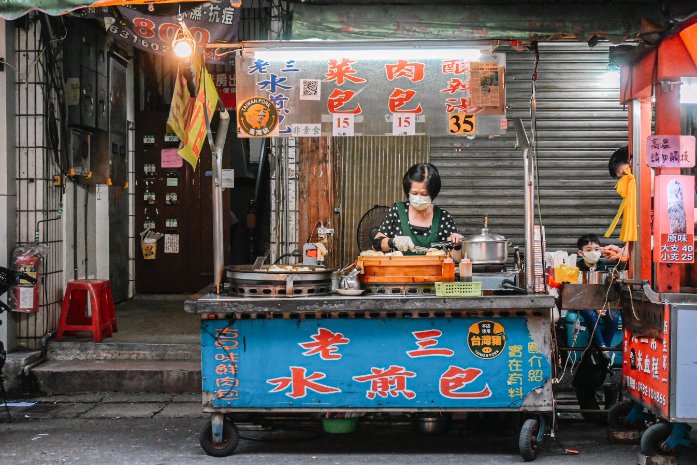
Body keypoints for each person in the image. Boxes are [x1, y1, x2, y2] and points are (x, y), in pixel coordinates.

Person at [373, 163, 463, 259]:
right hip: (397, 272)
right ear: (408, 191)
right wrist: (392, 242)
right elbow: (375, 246)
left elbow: (456, 258)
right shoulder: (397, 211)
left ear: (433, 193)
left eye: (424, 194)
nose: (419, 198)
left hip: (434, 273)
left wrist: (457, 244)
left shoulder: (443, 217)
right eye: (414, 193)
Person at [576, 234, 623, 350]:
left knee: (614, 317)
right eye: (589, 250)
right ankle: (602, 348)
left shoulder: (604, 268)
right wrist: (594, 307)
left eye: (596, 249)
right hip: (583, 303)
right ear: (580, 253)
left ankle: (603, 348)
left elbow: (606, 290)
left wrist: (602, 306)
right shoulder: (576, 268)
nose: (593, 252)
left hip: (602, 303)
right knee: (591, 315)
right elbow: (578, 292)